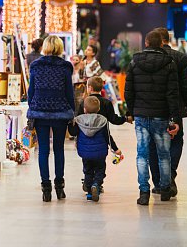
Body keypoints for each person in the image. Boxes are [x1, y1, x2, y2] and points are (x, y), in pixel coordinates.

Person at [125, 30, 180, 205]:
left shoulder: (134, 62)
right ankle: (165, 189)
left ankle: (144, 193)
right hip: (161, 116)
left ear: (147, 43)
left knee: (142, 155)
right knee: (164, 154)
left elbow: (129, 91)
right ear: (161, 44)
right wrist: (174, 120)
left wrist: (130, 111)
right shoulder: (169, 63)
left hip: (141, 116)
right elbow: (172, 94)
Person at [27, 35, 75, 202]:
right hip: (60, 112)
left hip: (40, 112)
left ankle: (45, 189)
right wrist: (72, 112)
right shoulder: (66, 67)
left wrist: (31, 106)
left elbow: (31, 90)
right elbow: (70, 92)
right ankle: (60, 188)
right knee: (59, 149)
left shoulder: (35, 65)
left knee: (44, 150)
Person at [149, 28, 187, 197]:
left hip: (153, 109)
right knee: (175, 142)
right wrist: (184, 106)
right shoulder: (180, 57)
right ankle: (169, 177)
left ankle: (160, 182)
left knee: (153, 144)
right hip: (174, 108)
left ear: (158, 41)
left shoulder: (147, 58)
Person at [69, 96, 116, 202]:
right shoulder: (102, 121)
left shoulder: (79, 121)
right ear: (99, 109)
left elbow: (73, 132)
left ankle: (90, 192)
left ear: (84, 109)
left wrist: (69, 123)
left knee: (88, 171)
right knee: (100, 170)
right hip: (100, 153)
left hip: (85, 152)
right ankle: (96, 185)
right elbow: (107, 136)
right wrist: (115, 149)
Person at [77, 76, 132, 160]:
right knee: (100, 170)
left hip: (86, 146)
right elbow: (114, 120)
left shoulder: (83, 103)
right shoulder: (106, 103)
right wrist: (126, 119)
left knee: (87, 171)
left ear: (90, 88)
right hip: (101, 145)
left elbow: (78, 123)